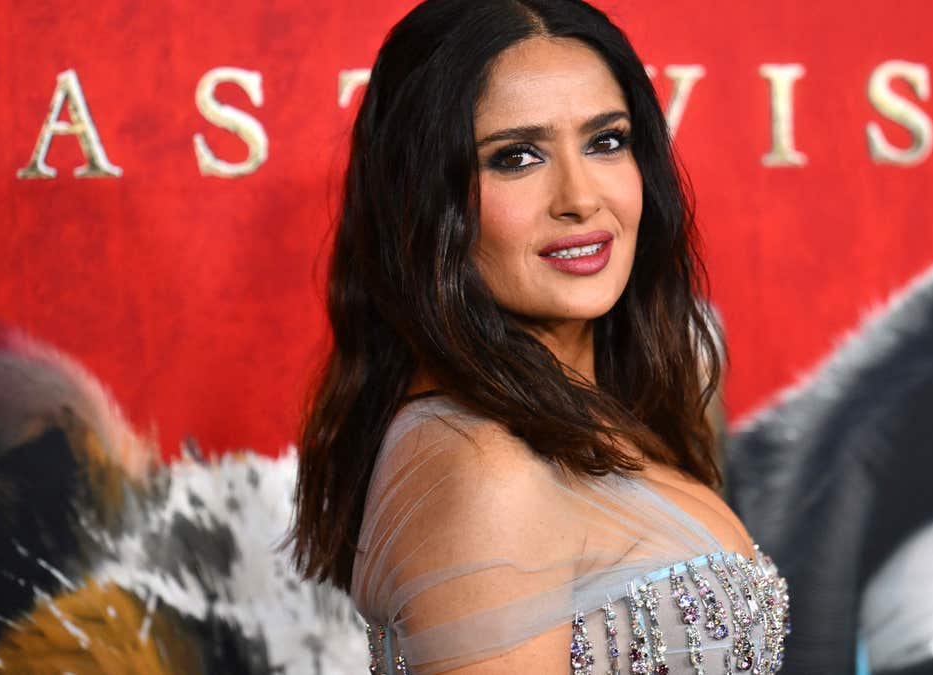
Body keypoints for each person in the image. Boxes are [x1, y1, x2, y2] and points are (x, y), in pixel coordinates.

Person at [287, 1, 790, 673]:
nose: (580, 197)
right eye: (516, 157)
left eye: (605, 140)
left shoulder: (592, 407)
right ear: (426, 202)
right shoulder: (483, 466)